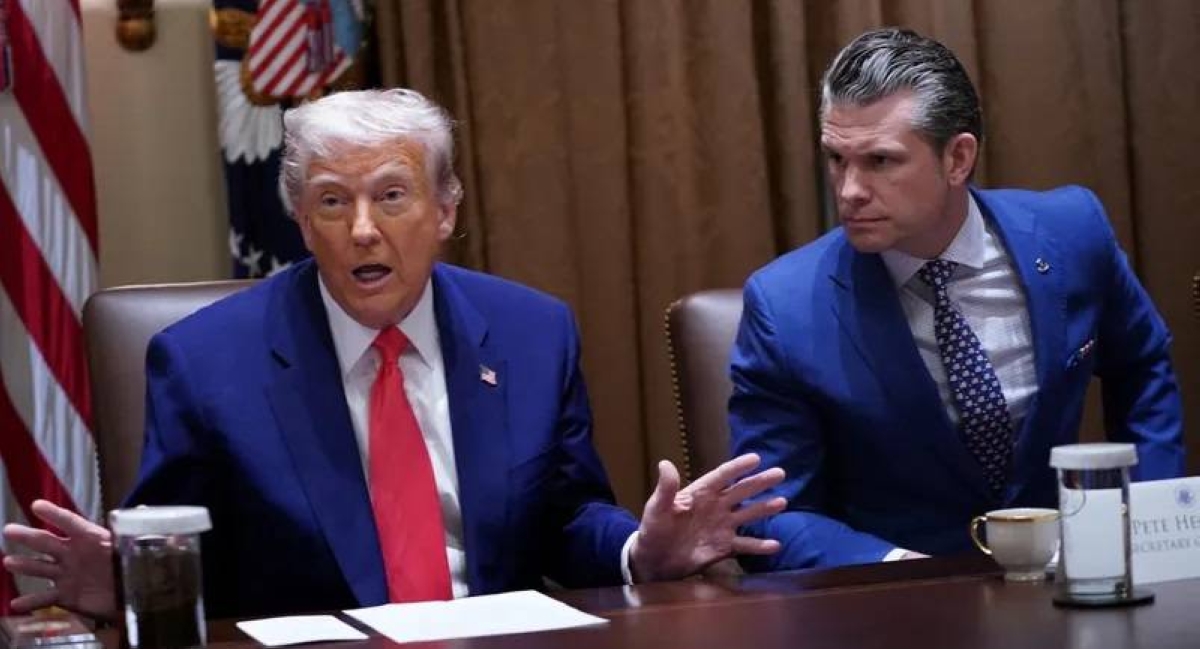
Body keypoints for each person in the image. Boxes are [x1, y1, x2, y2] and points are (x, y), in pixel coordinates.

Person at [3, 89, 786, 620]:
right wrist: (131, 580)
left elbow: (564, 517)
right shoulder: (205, 362)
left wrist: (638, 550)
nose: (362, 230)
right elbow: (183, 554)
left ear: (445, 210)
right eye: (331, 201)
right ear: (301, 221)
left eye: (391, 195)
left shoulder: (531, 333)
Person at [730, 27, 1184, 571]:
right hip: (898, 596)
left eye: (880, 161)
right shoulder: (785, 306)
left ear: (958, 158)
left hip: (1069, 578)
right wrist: (903, 569)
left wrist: (1146, 522)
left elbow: (1143, 367)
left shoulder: (1071, 234)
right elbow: (769, 512)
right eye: (836, 158)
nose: (849, 190)